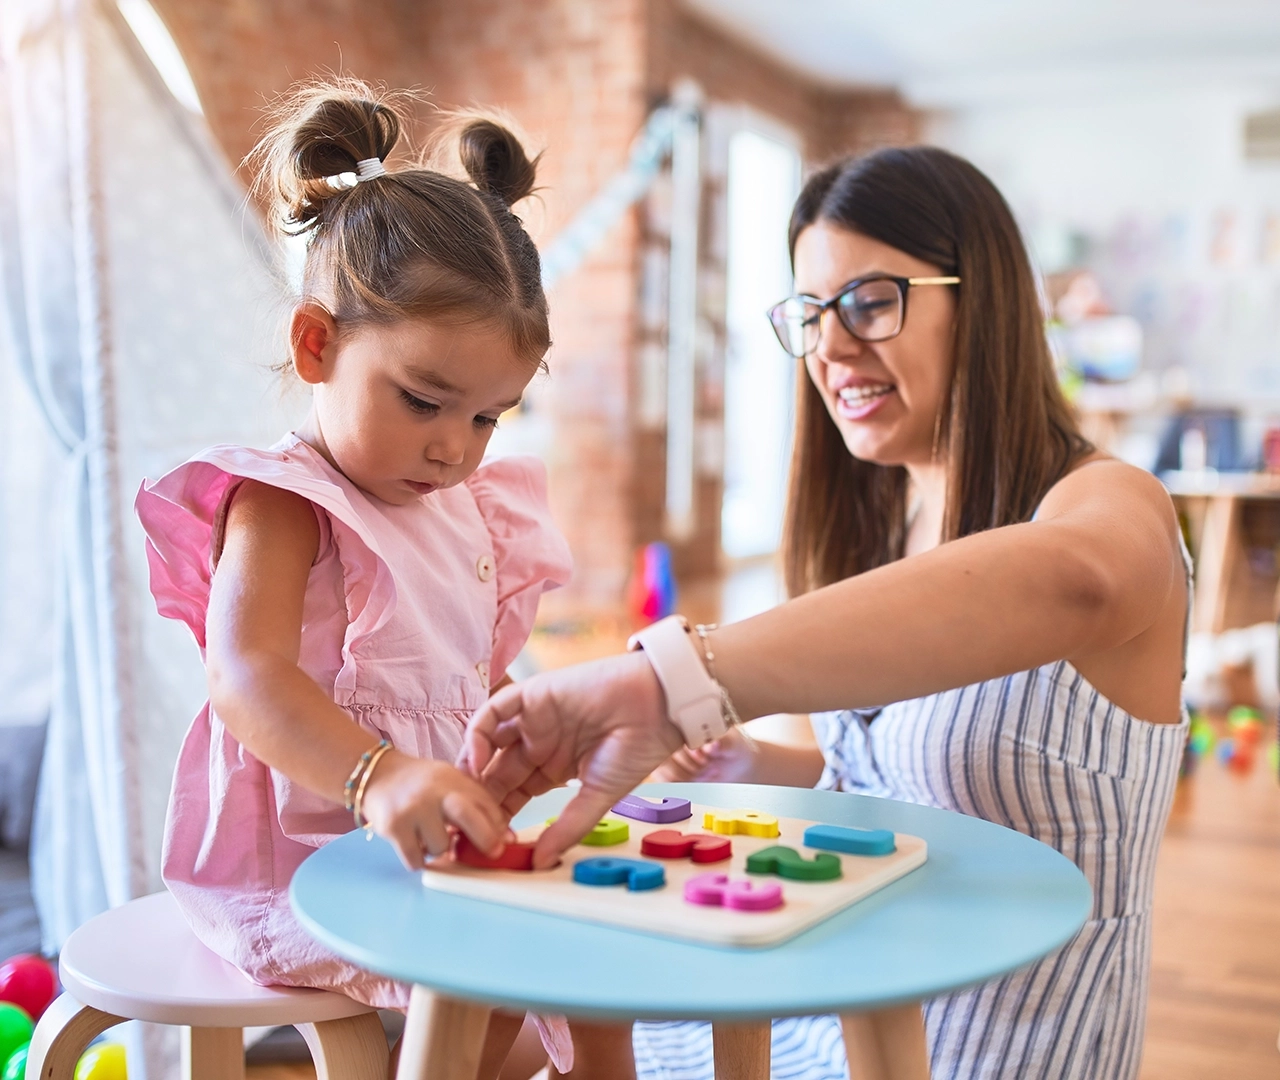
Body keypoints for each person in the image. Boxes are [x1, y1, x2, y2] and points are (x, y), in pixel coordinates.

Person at [466, 146, 1189, 1080]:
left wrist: (679, 684)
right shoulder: (895, 524)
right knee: (512, 1027)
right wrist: (758, 761)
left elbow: (1083, 579)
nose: (834, 346)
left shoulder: (1111, 503)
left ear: (985, 298)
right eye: (812, 313)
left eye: (871, 301)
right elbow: (912, 790)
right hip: (848, 1016)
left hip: (998, 1052)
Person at [136, 80, 630, 1079]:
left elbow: (464, 681)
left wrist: (572, 724)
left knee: (599, 972)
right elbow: (245, 677)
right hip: (300, 865)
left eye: (489, 416)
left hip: (416, 859)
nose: (454, 447)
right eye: (423, 400)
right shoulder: (283, 500)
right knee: (523, 977)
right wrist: (377, 775)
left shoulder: (465, 506)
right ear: (316, 345)